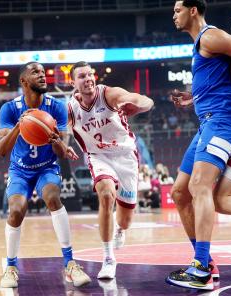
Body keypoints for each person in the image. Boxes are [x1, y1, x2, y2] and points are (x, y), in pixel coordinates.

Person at [0, 61, 91, 288]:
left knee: (52, 198)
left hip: (47, 167)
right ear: (23, 81)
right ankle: (10, 267)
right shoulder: (9, 109)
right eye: (35, 72)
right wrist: (21, 126)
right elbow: (1, 150)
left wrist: (55, 139)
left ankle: (70, 263)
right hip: (19, 170)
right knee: (16, 210)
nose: (42, 75)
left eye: (43, 72)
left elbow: (62, 152)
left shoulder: (56, 106)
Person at [166, 1, 231, 290]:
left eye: (177, 10)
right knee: (180, 192)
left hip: (223, 120)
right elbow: (221, 78)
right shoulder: (201, 42)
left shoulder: (209, 35)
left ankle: (200, 269)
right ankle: (205, 261)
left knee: (199, 186)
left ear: (193, 10)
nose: (174, 15)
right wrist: (193, 97)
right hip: (207, 121)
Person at [68, 61, 153, 279]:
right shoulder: (70, 108)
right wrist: (60, 142)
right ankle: (108, 258)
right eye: (81, 76)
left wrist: (139, 105)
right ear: (73, 82)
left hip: (125, 156)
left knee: (125, 220)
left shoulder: (110, 95)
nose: (88, 78)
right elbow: (58, 130)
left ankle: (120, 229)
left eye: (90, 74)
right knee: (106, 194)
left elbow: (145, 100)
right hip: (98, 156)